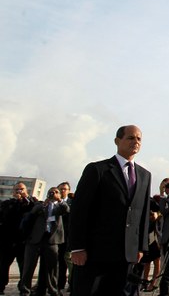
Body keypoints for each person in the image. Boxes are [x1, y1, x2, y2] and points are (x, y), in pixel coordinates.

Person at [69, 124, 152, 296]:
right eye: (130, 137)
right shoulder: (98, 170)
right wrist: (77, 247)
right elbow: (80, 210)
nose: (135, 141)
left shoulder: (145, 175)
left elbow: (143, 213)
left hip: (127, 254)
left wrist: (141, 247)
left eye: (139, 139)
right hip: (96, 252)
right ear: (117, 140)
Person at [18, 187, 69, 296]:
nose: (53, 194)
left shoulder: (59, 206)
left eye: (56, 192)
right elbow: (33, 212)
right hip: (35, 240)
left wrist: (59, 200)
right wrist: (44, 205)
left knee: (52, 268)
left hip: (51, 240)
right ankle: (25, 290)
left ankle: (53, 290)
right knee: (28, 267)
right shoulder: (41, 204)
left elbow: (67, 210)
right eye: (51, 192)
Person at [0, 182, 36, 295]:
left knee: (24, 267)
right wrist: (16, 202)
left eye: (21, 189)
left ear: (26, 190)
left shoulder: (32, 203)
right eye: (16, 190)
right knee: (2, 266)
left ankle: (23, 288)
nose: (19, 191)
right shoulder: (7, 204)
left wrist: (25, 200)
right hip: (8, 241)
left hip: (24, 241)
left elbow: (33, 212)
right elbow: (5, 217)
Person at [56, 182, 74, 294]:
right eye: (60, 189)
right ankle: (59, 284)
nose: (62, 191)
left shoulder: (72, 202)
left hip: (67, 237)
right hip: (54, 237)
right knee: (58, 263)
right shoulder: (52, 202)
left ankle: (72, 284)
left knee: (69, 262)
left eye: (65, 189)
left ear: (68, 190)